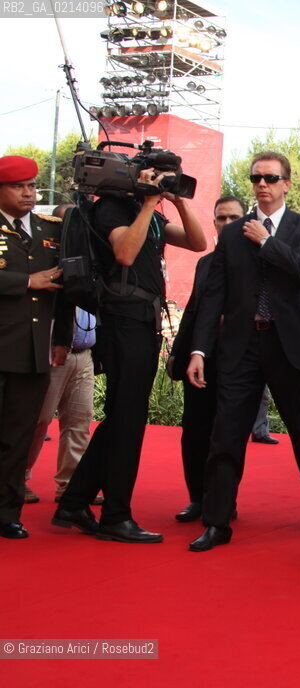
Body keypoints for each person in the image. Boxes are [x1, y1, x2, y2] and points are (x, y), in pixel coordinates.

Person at [185, 151, 300, 551]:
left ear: (287, 183)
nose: (262, 185)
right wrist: (200, 350)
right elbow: (213, 294)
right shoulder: (233, 233)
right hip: (241, 345)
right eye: (256, 178)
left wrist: (268, 242)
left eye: (271, 178)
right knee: (226, 434)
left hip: (288, 346)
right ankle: (217, 521)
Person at [54, 154, 206, 543]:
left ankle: (74, 502)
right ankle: (115, 516)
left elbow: (198, 242)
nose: (161, 182)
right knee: (127, 420)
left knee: (124, 417)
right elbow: (124, 253)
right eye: (156, 175)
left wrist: (177, 200)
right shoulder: (112, 208)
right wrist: (151, 202)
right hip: (122, 319)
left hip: (142, 320)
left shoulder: (147, 211)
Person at [0, 156, 72, 539]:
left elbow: (63, 292)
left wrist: (62, 338)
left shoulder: (50, 230)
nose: (29, 193)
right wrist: (27, 282)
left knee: (18, 436)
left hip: (32, 351)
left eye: (32, 185)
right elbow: (37, 282)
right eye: (19, 186)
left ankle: (7, 512)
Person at [167, 195, 245, 523]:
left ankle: (223, 500)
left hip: (241, 361)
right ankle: (197, 498)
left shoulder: (261, 260)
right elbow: (195, 313)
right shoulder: (206, 263)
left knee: (227, 435)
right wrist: (180, 352)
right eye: (220, 218)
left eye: (233, 218)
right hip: (202, 360)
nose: (226, 224)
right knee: (195, 431)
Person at [23, 203, 98, 507]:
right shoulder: (51, 261)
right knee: (38, 420)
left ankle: (70, 486)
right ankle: (18, 477)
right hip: (54, 351)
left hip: (85, 353)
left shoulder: (94, 258)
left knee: (80, 421)